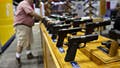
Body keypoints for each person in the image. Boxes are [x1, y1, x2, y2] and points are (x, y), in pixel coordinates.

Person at [14, 0, 43, 66]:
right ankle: (17, 57)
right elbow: (32, 13)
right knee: (21, 41)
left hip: (27, 25)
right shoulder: (24, 3)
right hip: (22, 25)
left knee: (28, 41)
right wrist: (42, 18)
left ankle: (29, 54)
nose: (33, 1)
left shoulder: (29, 4)